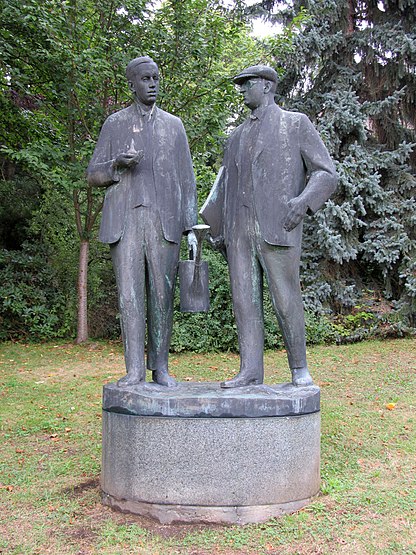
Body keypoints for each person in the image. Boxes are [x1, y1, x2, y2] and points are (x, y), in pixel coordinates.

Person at [201, 65, 338, 388]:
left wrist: (303, 202)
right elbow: (225, 186)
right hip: (238, 231)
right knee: (244, 300)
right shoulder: (234, 137)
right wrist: (218, 227)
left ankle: (299, 369)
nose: (243, 90)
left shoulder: (295, 124)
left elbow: (326, 173)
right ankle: (250, 370)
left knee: (285, 298)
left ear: (266, 86)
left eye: (247, 84)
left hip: (279, 226)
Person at [87, 56, 197, 387]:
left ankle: (160, 368)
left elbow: (187, 180)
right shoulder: (115, 124)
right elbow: (92, 174)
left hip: (165, 220)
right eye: (146, 79)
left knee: (162, 295)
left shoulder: (173, 125)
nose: (152, 84)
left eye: (156, 78)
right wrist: (116, 164)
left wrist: (191, 227)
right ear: (132, 84)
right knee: (130, 296)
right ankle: (134, 369)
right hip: (126, 220)